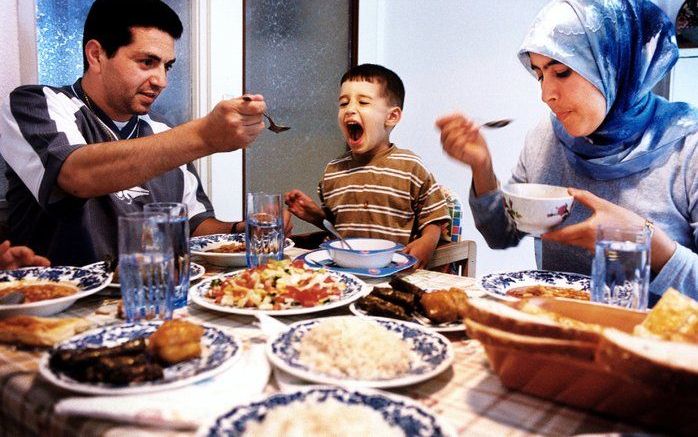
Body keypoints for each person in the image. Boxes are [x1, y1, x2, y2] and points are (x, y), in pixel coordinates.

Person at [436, 0, 698, 300]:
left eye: (561, 72)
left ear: (616, 61)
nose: (546, 95)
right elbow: (501, 234)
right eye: (539, 75)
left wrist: (647, 241)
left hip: (654, 342)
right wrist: (482, 167)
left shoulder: (688, 148)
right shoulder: (545, 138)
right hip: (560, 329)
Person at [0, 0, 290, 266]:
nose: (161, 80)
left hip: (154, 295)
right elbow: (76, 175)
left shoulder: (165, 132)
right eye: (147, 62)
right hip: (60, 305)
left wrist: (245, 229)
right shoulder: (36, 104)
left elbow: (195, 227)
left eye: (167, 66)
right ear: (96, 55)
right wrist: (204, 136)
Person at [285, 64, 450, 268]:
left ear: (392, 116)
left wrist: (427, 241)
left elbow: (434, 217)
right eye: (343, 103)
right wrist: (317, 217)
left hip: (392, 272)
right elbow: (339, 227)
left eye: (363, 102)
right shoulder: (333, 171)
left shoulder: (410, 167)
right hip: (342, 272)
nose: (350, 109)